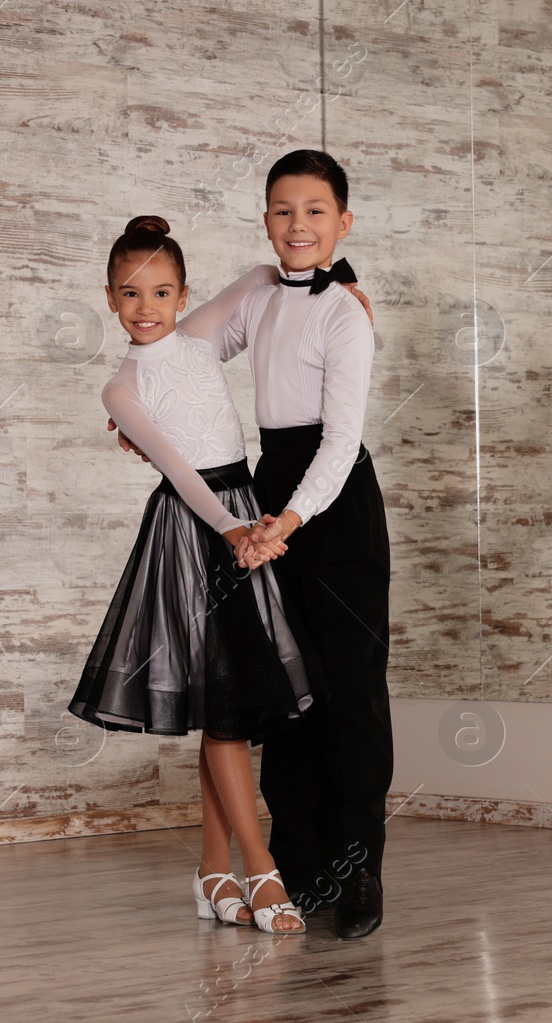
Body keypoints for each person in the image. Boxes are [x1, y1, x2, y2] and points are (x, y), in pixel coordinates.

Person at [114, 151, 392, 940]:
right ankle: (297, 864)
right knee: (284, 687)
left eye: (313, 210)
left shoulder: (346, 312)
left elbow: (341, 443)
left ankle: (359, 864)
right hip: (267, 487)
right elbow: (176, 345)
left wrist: (289, 521)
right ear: (266, 220)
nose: (297, 224)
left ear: (342, 221)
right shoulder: (256, 288)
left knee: (349, 687)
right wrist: (133, 404)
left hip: (331, 504)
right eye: (281, 209)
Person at [68, 215, 318, 934]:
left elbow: (264, 275)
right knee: (228, 711)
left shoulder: (202, 337)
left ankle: (214, 870)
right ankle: (261, 870)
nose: (146, 307)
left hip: (243, 514)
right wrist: (233, 529)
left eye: (162, 291)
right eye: (130, 292)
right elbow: (178, 470)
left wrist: (347, 285)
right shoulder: (121, 389)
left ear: (182, 296)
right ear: (109, 298)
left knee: (229, 705)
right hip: (196, 525)